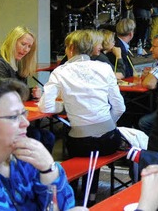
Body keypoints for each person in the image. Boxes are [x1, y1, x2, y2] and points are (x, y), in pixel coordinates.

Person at [38, 30, 127, 205]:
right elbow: (120, 107)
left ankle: (73, 196)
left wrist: (63, 105)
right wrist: (105, 123)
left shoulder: (60, 72)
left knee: (74, 142)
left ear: (71, 48)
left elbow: (46, 106)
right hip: (109, 139)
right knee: (92, 147)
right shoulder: (105, 68)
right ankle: (91, 197)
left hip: (80, 143)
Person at [0, 78, 77, 210]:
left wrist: (49, 169)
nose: (26, 123)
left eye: (24, 113)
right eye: (14, 117)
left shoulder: (24, 159)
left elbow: (66, 206)